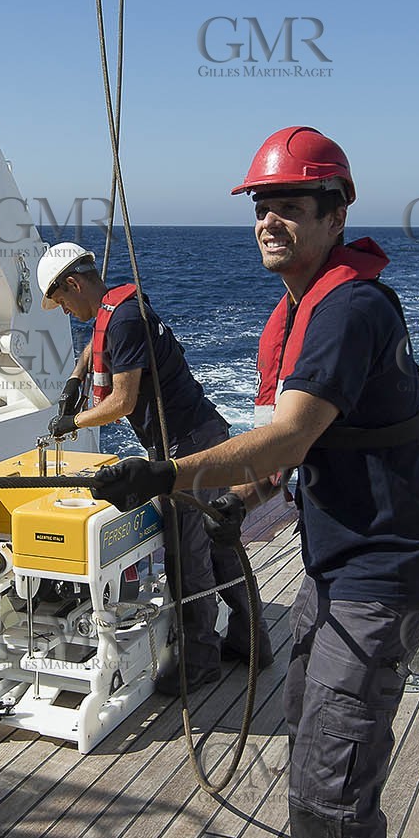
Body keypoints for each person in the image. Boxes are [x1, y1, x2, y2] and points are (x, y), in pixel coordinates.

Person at [88, 127, 419, 838]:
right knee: (306, 719)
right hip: (343, 558)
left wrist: (173, 478)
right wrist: (240, 493)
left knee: (331, 767)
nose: (269, 219)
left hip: (381, 569)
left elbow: (291, 436)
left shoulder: (345, 311)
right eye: (260, 205)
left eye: (290, 204)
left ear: (337, 212)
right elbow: (301, 453)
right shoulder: (305, 307)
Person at [37, 241, 272, 692]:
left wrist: (72, 420)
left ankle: (200, 660)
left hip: (188, 445)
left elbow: (122, 401)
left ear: (72, 283)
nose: (65, 310)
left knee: (188, 554)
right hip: (200, 434)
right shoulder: (116, 309)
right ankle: (251, 641)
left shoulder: (123, 319)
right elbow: (95, 343)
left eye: (63, 300)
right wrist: (74, 380)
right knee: (218, 544)